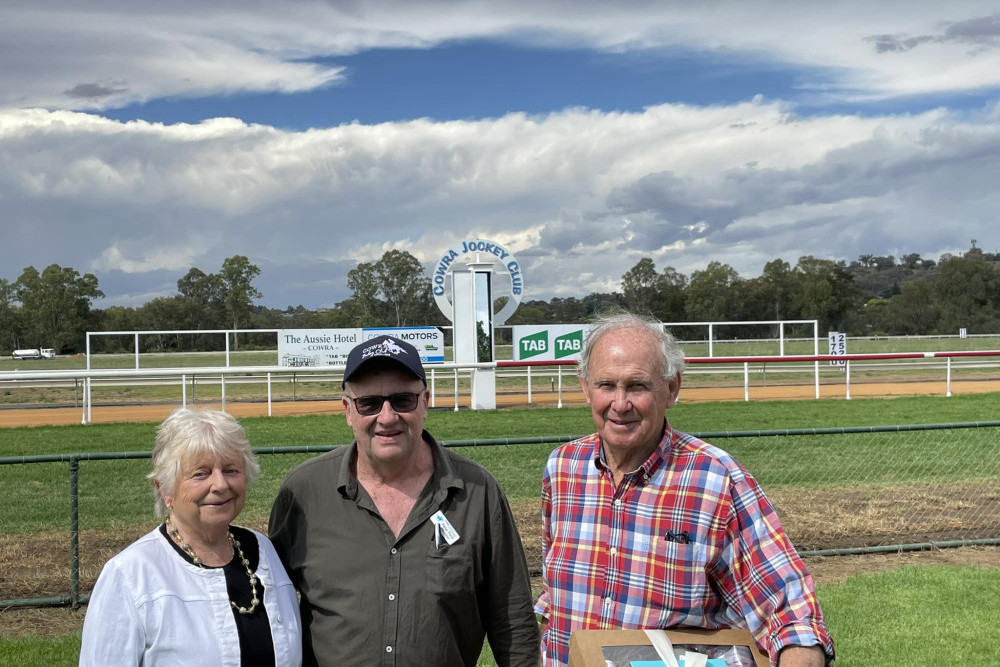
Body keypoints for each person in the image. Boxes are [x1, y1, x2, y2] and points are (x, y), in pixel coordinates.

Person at [535, 313, 835, 667]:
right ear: (585, 387)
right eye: (606, 385)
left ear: (672, 388)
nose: (619, 403)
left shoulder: (717, 481)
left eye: (637, 386)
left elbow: (793, 619)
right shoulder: (563, 468)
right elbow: (555, 602)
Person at [269, 334, 539, 667]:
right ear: (347, 410)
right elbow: (269, 611)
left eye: (402, 400)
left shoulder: (478, 491)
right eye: (368, 403)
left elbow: (512, 619)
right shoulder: (304, 491)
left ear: (425, 401)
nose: (386, 417)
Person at [80, 408, 302, 667]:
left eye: (231, 470)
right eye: (201, 473)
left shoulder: (264, 552)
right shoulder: (131, 575)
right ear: (164, 488)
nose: (220, 485)